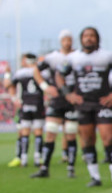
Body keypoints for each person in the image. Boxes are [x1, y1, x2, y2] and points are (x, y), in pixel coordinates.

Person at [56, 26, 112, 187]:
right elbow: (59, 75)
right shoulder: (73, 58)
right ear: (81, 39)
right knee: (87, 139)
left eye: (92, 36)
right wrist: (68, 94)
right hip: (84, 104)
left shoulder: (107, 56)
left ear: (97, 38)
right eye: (86, 36)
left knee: (108, 138)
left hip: (103, 103)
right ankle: (95, 177)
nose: (89, 38)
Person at [30, 29, 79, 179]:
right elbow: (36, 71)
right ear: (60, 41)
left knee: (70, 134)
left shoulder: (78, 57)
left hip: (72, 100)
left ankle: (71, 168)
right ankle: (44, 167)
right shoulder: (52, 57)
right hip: (57, 100)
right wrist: (45, 87)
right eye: (64, 39)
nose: (67, 41)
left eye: (69, 39)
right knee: (50, 133)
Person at [5, 53, 46, 168]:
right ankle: (38, 158)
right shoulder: (40, 72)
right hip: (38, 104)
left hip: (25, 105)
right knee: (38, 132)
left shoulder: (20, 73)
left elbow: (8, 84)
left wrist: (7, 74)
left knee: (24, 132)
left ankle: (23, 159)